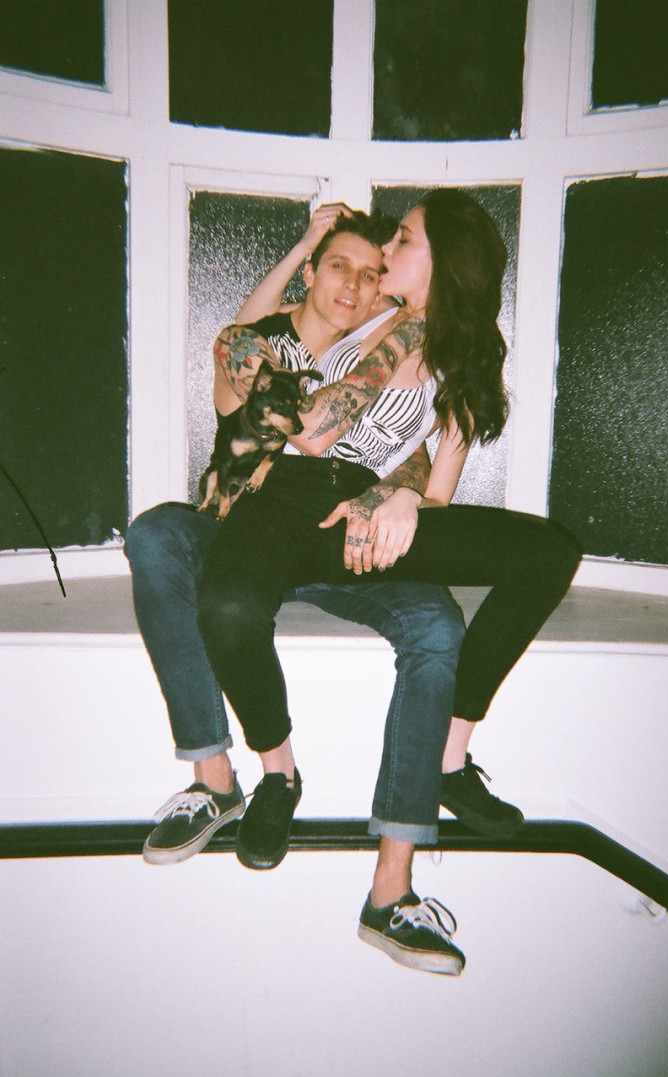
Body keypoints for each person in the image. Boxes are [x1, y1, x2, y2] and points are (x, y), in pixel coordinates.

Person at [197, 189, 582, 976]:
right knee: (228, 604)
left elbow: (436, 489)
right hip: (287, 497)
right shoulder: (371, 318)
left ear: (443, 260)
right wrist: (272, 315)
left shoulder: (462, 356)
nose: (387, 253)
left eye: (404, 239)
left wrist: (399, 498)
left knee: (549, 553)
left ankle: (449, 756)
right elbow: (298, 410)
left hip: (363, 510)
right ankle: (276, 772)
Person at [125, 205, 521, 872]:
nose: (355, 284)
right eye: (339, 266)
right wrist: (308, 241)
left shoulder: (378, 349)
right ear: (308, 273)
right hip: (250, 535)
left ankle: (397, 870)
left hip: (343, 543)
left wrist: (396, 492)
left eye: (371, 273)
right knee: (157, 533)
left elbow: (406, 451)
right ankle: (217, 781)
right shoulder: (257, 347)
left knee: (438, 627)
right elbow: (290, 408)